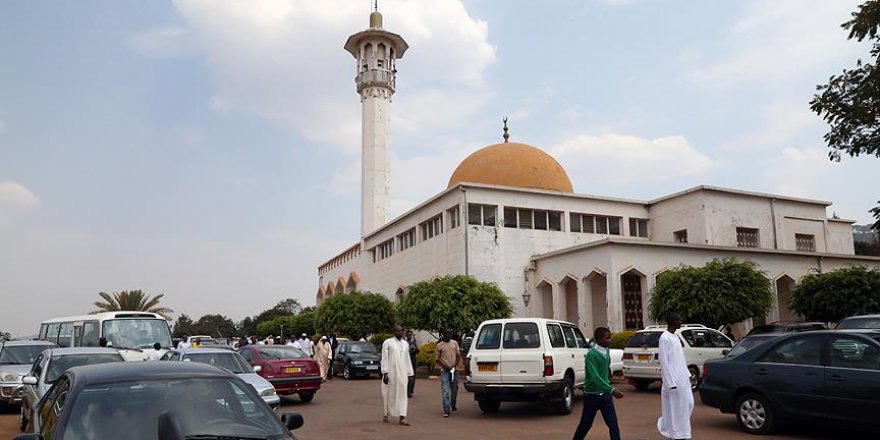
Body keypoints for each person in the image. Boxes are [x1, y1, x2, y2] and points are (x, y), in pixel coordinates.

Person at [571, 327, 623, 440]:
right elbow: (595, 377)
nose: (610, 340)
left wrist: (608, 380)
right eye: (607, 338)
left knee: (613, 425)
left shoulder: (607, 351)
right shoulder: (591, 355)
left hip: (605, 396)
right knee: (585, 425)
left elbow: (606, 368)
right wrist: (612, 390)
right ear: (598, 339)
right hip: (592, 395)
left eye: (610, 337)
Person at [658, 312, 694, 440]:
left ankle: (682, 431)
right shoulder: (664, 338)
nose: (681, 321)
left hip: (683, 379)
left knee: (689, 404)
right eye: (679, 320)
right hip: (673, 381)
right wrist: (669, 382)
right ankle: (675, 434)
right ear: (673, 322)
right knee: (674, 409)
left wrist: (687, 374)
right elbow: (664, 361)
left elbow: (680, 358)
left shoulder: (675, 337)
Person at [381, 325, 414, 426]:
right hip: (391, 373)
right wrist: (385, 373)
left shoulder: (405, 344)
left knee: (403, 393)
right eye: (397, 331)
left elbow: (407, 359)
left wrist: (410, 374)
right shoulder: (388, 342)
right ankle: (386, 413)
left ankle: (402, 417)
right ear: (393, 332)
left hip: (403, 373)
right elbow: (384, 358)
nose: (400, 332)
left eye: (401, 331)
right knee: (388, 393)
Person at [435, 329, 461, 417]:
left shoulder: (454, 343)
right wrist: (445, 366)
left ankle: (452, 404)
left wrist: (454, 366)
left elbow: (458, 356)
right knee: (445, 390)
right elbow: (437, 359)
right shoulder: (439, 345)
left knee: (454, 389)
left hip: (454, 370)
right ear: (443, 334)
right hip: (445, 371)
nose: (448, 335)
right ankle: (446, 410)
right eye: (446, 334)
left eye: (450, 334)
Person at [406, 329, 419, 398]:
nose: (409, 336)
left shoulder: (414, 341)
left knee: (412, 377)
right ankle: (407, 391)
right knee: (407, 377)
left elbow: (417, 351)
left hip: (412, 362)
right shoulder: (404, 342)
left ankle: (410, 391)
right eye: (408, 335)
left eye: (410, 335)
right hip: (405, 362)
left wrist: (414, 348)